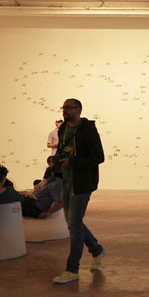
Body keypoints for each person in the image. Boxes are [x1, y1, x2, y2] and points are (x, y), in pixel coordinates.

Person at [52, 98, 106, 284]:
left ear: (79, 110)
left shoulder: (88, 130)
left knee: (74, 224)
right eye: (64, 107)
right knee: (72, 223)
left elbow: (98, 157)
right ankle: (97, 250)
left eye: (69, 108)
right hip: (66, 180)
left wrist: (73, 162)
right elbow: (63, 149)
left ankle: (72, 269)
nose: (65, 110)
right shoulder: (63, 128)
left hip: (82, 183)